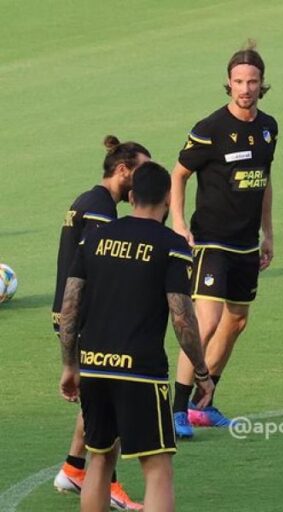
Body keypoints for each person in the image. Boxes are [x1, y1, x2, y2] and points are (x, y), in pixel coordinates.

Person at [58, 161, 214, 512]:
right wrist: (201, 371)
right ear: (168, 198)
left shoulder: (94, 238)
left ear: (131, 197)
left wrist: (70, 364)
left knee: (99, 459)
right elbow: (182, 317)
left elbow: (70, 305)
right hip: (141, 372)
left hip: (94, 365)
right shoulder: (171, 245)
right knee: (158, 469)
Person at [170, 42, 277, 437]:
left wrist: (268, 232)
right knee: (207, 321)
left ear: (262, 83)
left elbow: (264, 180)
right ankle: (177, 409)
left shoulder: (269, 128)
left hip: (246, 243)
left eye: (252, 81)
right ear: (229, 84)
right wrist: (179, 223)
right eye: (238, 81)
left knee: (237, 321)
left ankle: (203, 402)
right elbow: (178, 174)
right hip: (211, 241)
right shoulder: (210, 129)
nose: (245, 88)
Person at [52, 135, 150, 510]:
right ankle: (108, 483)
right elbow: (99, 268)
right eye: (141, 172)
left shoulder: (88, 200)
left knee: (95, 399)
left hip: (71, 314)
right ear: (123, 170)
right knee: (113, 398)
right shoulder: (100, 211)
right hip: (88, 318)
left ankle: (73, 469)